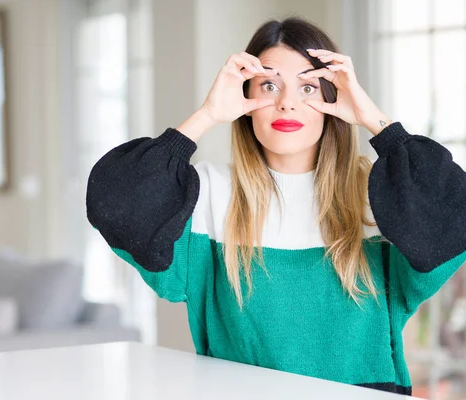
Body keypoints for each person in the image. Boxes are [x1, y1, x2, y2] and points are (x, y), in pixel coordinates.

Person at [85, 17, 466, 395]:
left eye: (308, 87)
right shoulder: (208, 194)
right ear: (246, 102)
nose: (287, 103)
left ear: (334, 100)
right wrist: (208, 114)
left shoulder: (378, 196)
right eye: (270, 85)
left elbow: (454, 213)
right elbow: (113, 198)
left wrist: (374, 121)